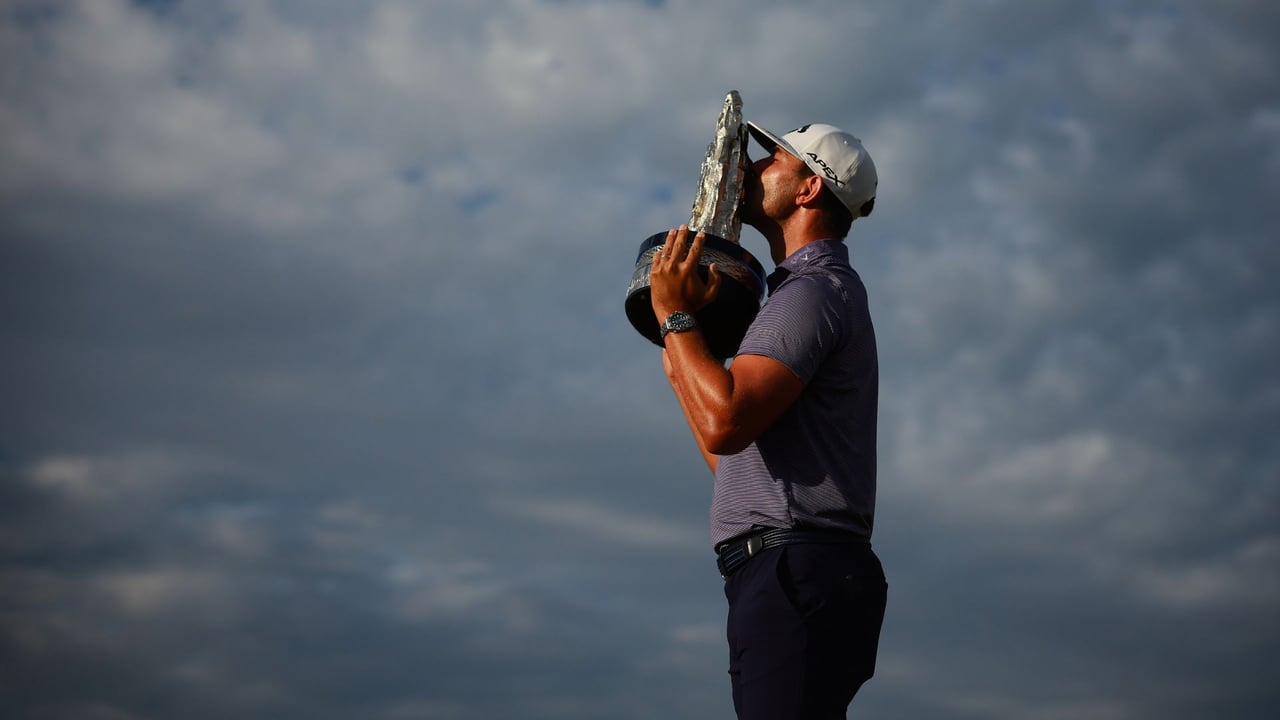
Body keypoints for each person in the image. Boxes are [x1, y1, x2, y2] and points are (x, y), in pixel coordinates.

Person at [648, 121, 887, 719]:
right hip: (790, 568)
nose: (752, 169)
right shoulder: (801, 295)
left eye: (772, 160)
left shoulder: (811, 292)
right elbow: (733, 455)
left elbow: (726, 423)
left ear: (808, 189)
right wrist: (685, 354)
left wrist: (677, 319)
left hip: (797, 567)